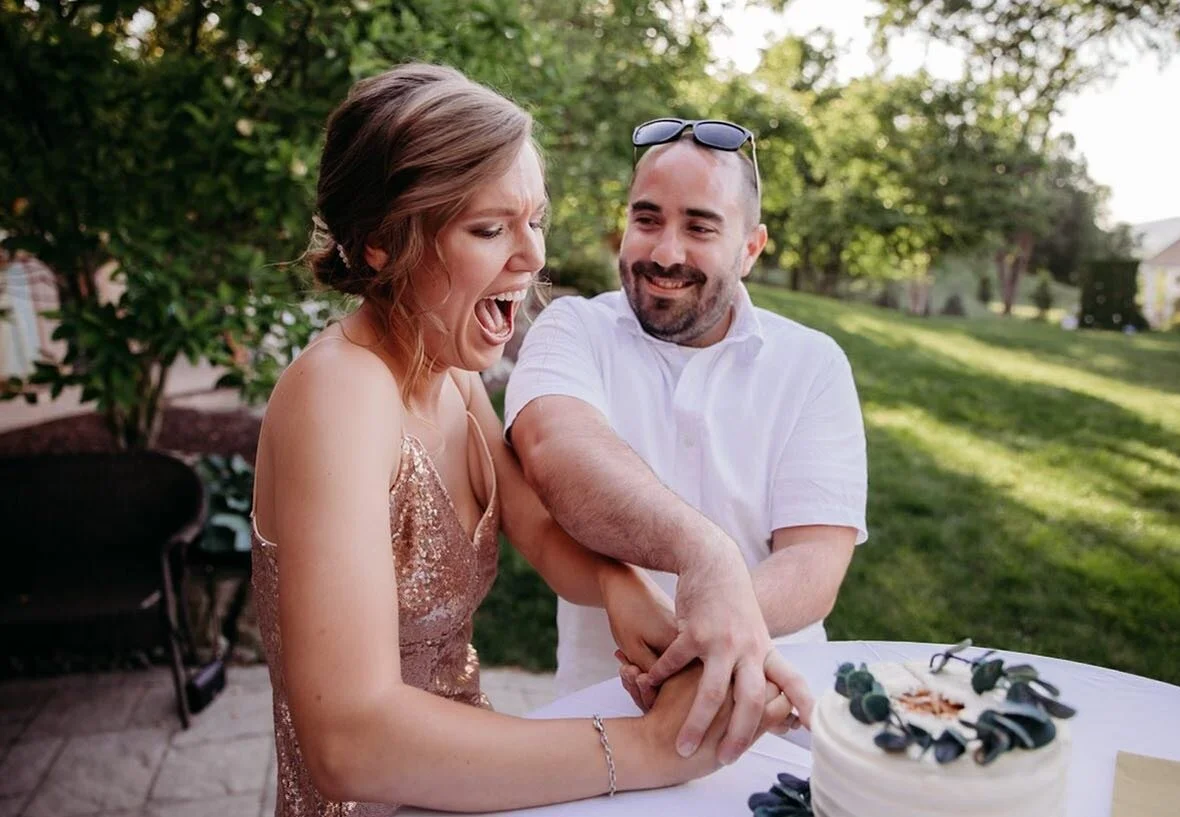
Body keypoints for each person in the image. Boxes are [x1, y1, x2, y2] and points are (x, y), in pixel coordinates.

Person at [250, 66, 792, 816]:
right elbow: (348, 741)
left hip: (458, 785)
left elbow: (539, 528)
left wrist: (628, 594)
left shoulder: (452, 380)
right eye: (488, 228)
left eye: (533, 219)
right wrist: (644, 747)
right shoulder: (339, 394)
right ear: (379, 242)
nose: (532, 256)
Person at [505, 118, 869, 761]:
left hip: (773, 720)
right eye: (647, 220)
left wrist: (697, 633)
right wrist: (707, 554)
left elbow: (816, 563)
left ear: (751, 248)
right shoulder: (572, 329)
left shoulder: (814, 364)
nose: (666, 253)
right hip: (603, 725)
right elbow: (554, 452)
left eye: (700, 227)